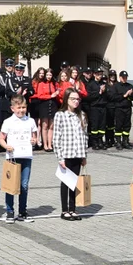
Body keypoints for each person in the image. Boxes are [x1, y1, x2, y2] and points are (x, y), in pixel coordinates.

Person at [0, 96, 36, 223]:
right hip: (13, 157)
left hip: (26, 156)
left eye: (23, 107)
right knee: (11, 185)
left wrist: (34, 141)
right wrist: (6, 146)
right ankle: (9, 211)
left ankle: (22, 211)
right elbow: (1, 138)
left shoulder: (30, 121)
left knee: (24, 185)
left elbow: (35, 138)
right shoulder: (8, 122)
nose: (21, 110)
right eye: (18, 107)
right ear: (12, 108)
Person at [52, 88, 88, 221]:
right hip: (66, 154)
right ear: (67, 100)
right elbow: (56, 138)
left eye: (78, 99)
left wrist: (84, 156)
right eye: (73, 99)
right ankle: (64, 210)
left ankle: (73, 209)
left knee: (74, 183)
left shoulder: (82, 115)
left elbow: (85, 136)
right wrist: (60, 157)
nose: (76, 101)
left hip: (78, 153)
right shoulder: (60, 115)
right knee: (65, 183)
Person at [113, 71, 133, 149]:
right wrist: (124, 95)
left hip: (127, 107)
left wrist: (130, 95)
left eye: (126, 77)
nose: (124, 79)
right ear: (120, 77)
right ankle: (118, 142)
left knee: (127, 125)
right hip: (119, 108)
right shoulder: (116, 86)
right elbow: (115, 97)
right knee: (119, 125)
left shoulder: (130, 86)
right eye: (123, 77)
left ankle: (125, 141)